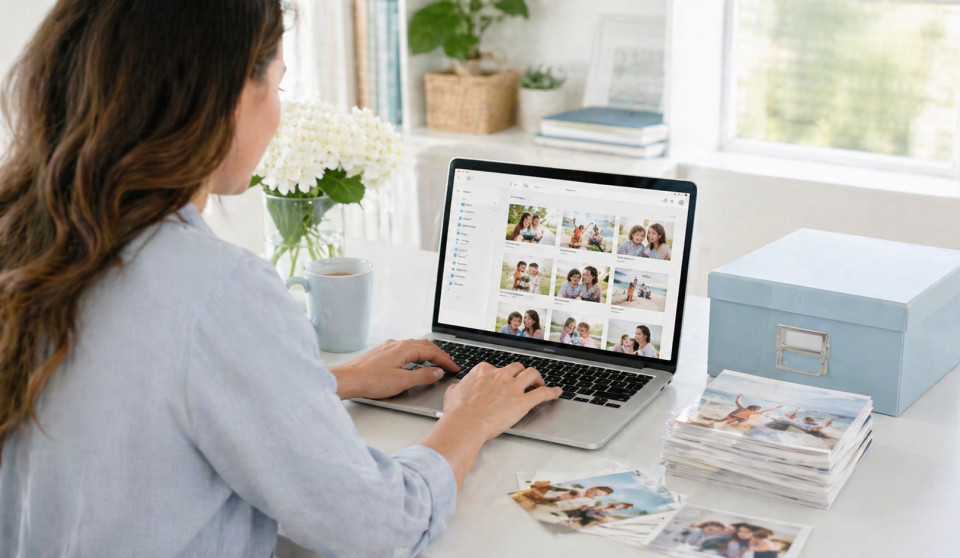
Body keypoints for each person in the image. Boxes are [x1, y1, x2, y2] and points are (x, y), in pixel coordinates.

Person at [0, 3, 562, 556]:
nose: (277, 117)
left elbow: (131, 394)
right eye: (277, 89)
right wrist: (470, 419)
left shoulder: (28, 239)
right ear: (220, 99)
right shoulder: (214, 288)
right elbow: (382, 526)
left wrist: (327, 382)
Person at [714, 394, 782, 426]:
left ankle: (729, 425)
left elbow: (737, 402)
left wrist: (739, 397)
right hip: (735, 416)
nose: (757, 411)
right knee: (723, 421)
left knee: (727, 422)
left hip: (741, 418)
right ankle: (725, 424)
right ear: (754, 409)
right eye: (757, 409)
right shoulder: (747, 410)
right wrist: (776, 408)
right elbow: (738, 402)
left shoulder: (750, 411)